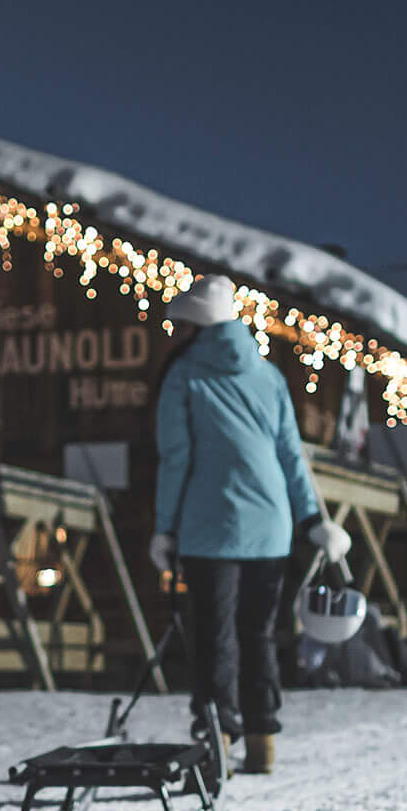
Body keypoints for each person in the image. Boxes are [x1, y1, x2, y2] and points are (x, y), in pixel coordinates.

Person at [150, 274, 350, 775]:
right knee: (259, 634)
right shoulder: (270, 376)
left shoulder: (183, 376)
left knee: (214, 634)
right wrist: (311, 519)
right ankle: (263, 742)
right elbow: (291, 457)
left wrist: (164, 528)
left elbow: (176, 458)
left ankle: (217, 738)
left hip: (209, 527)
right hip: (271, 528)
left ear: (194, 325)